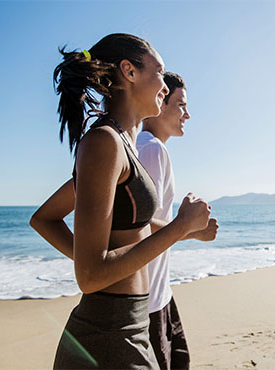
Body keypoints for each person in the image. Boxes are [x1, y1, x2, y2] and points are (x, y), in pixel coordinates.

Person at [30, 33, 212, 370]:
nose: (163, 85)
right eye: (159, 73)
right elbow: (90, 275)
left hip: (132, 321)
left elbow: (132, 225)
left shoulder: (123, 143)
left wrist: (189, 231)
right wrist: (179, 228)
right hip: (107, 334)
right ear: (129, 71)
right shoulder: (104, 143)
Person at [137, 72, 218, 370]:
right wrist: (191, 229)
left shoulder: (151, 147)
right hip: (149, 302)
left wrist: (189, 228)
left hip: (161, 295)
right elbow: (139, 228)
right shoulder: (151, 149)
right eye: (180, 105)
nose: (187, 114)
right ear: (160, 102)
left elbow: (149, 224)